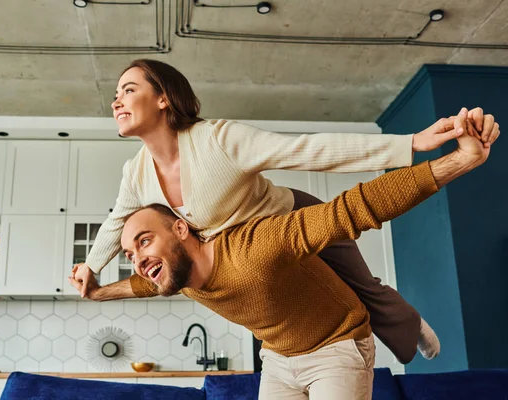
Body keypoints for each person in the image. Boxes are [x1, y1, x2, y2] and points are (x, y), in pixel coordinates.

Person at [71, 59, 500, 363]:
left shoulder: (217, 140)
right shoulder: (137, 172)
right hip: (247, 256)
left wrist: (411, 143)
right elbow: (117, 222)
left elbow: (307, 150)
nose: (117, 101)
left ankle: (408, 324)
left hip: (289, 220)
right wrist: (92, 267)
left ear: (163, 99)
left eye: (129, 90)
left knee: (361, 287)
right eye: (115, 95)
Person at [70, 128, 494, 399]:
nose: (139, 260)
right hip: (278, 359)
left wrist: (456, 159)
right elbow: (143, 282)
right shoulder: (176, 271)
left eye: (145, 241)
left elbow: (353, 203)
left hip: (334, 342)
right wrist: (97, 290)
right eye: (131, 255)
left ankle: (405, 320)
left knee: (364, 282)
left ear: (182, 229)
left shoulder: (249, 229)